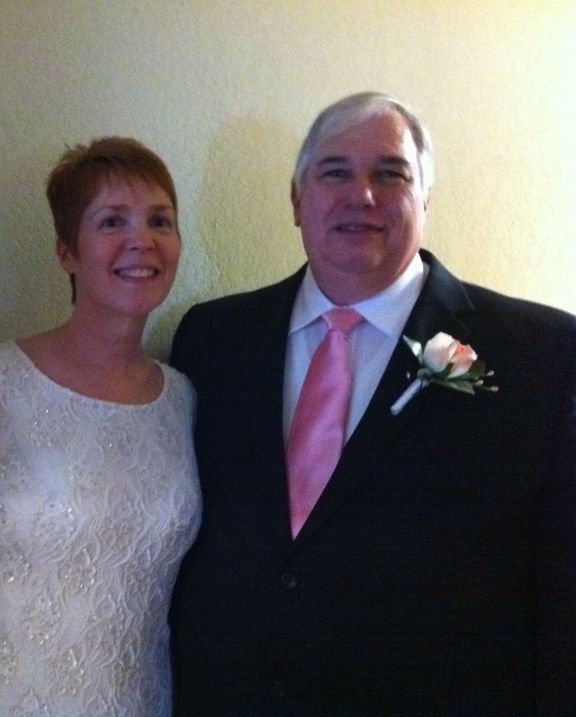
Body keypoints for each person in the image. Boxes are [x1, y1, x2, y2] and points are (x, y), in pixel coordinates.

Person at [169, 92, 576, 716]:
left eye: (390, 174)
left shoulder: (542, 353)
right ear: (296, 199)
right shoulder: (212, 339)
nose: (361, 195)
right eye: (335, 172)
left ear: (426, 197)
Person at [0, 137, 201, 716]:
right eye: (112, 221)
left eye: (160, 220)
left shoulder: (184, 399)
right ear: (66, 251)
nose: (142, 239)